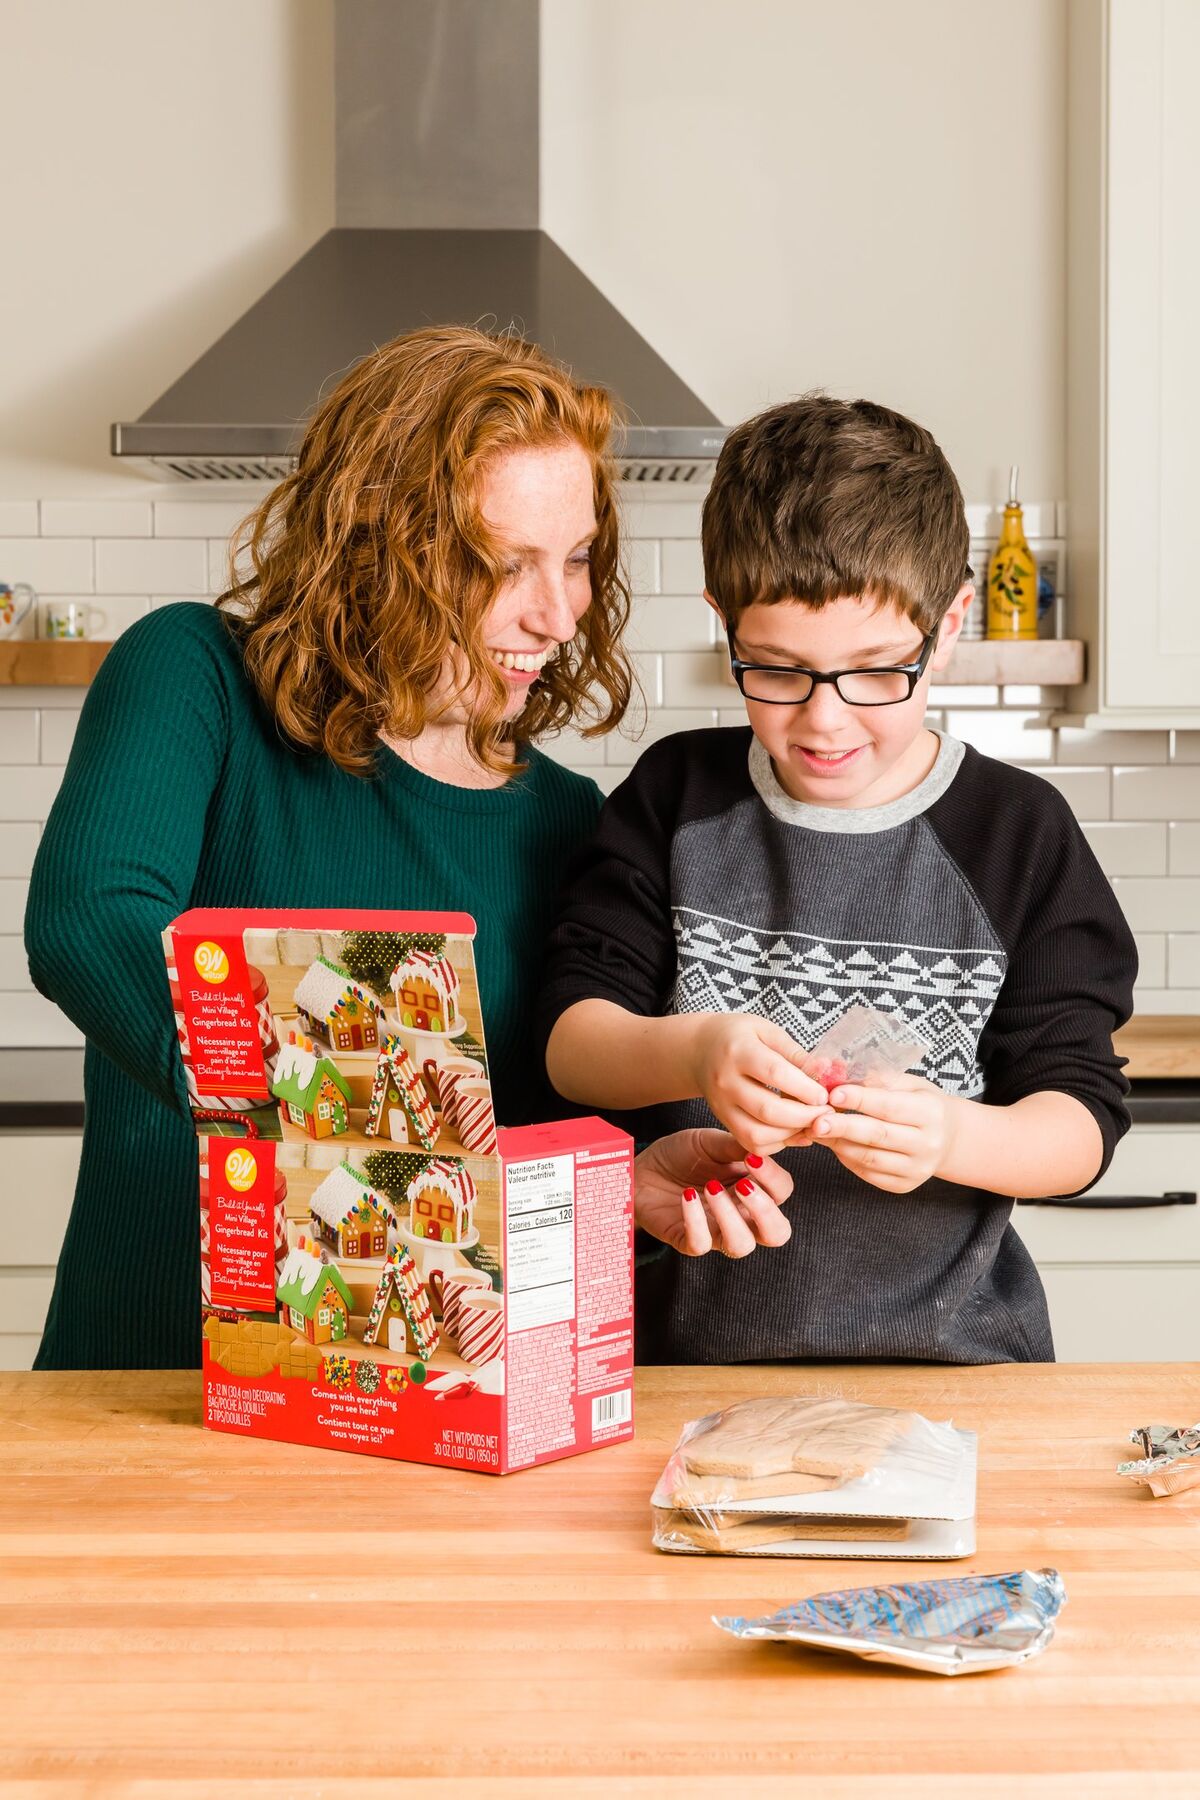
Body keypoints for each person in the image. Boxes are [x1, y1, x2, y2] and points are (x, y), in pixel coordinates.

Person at [25, 325, 787, 1370]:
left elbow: (497, 1170)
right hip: (152, 1380)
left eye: (575, 560)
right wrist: (366, 1119)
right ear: (380, 543)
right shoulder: (195, 677)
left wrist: (623, 1197)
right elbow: (86, 922)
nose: (559, 613)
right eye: (503, 563)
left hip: (417, 1415)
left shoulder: (568, 821)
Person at [541, 394, 1137, 1365]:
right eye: (776, 669)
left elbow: (1078, 1121)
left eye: (874, 672)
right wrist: (698, 1053)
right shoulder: (677, 798)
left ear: (946, 629)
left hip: (958, 1374)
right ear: (723, 625)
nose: (824, 719)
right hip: (682, 1377)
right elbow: (573, 1040)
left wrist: (951, 1138)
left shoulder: (1017, 834)